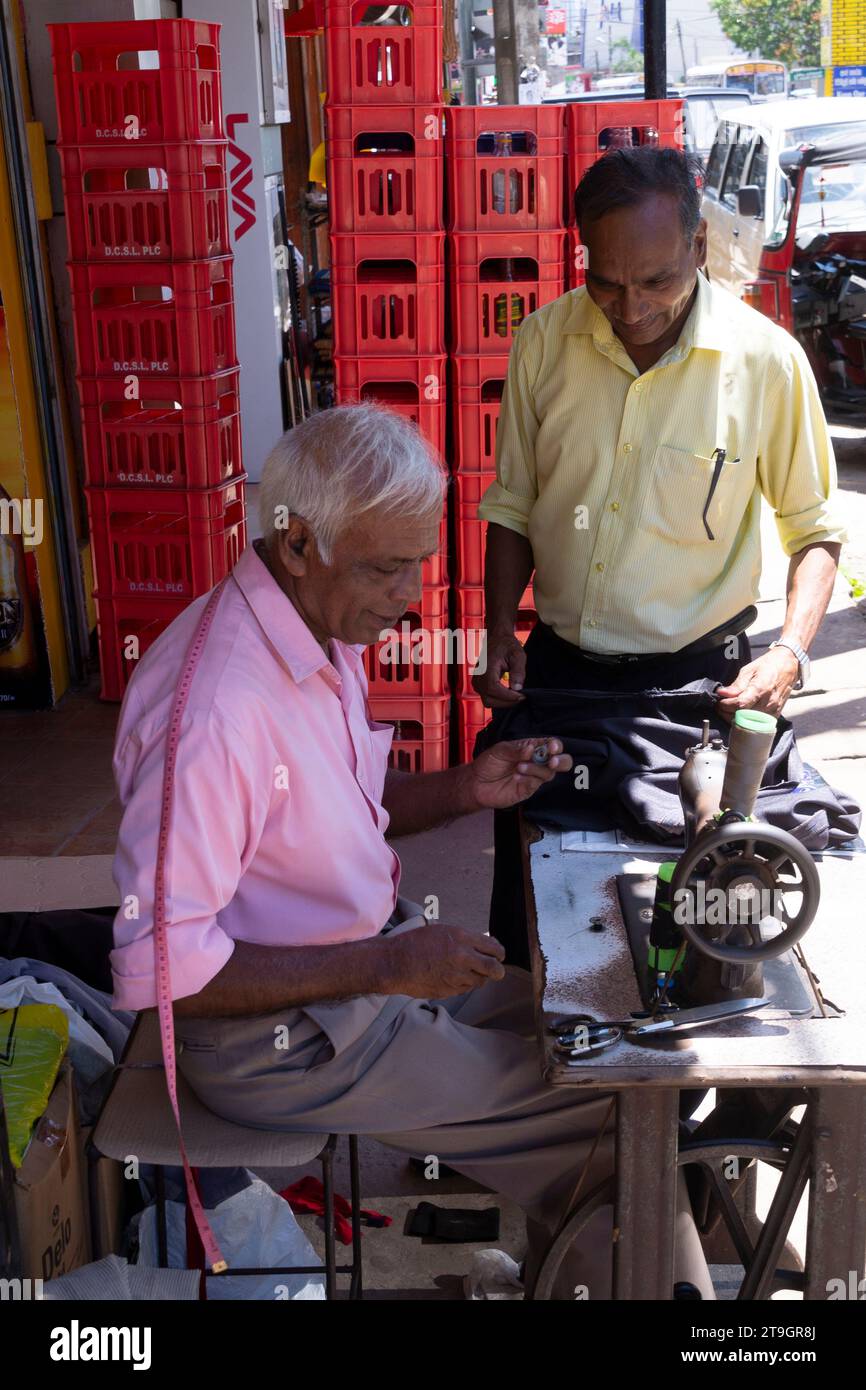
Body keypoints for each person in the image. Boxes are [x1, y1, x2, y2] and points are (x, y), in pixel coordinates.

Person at [110, 405, 713, 1299]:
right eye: (387, 567)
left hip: (354, 982)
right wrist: (388, 963)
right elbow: (163, 971)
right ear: (300, 541)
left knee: (598, 1033)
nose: (408, 595)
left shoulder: (312, 626)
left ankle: (572, 1278)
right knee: (616, 1117)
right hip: (276, 1046)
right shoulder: (216, 714)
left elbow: (334, 815)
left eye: (419, 564)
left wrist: (466, 788)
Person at [473, 146, 846, 968]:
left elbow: (815, 532)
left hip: (700, 686)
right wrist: (500, 629)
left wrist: (788, 653)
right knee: (545, 917)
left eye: (655, 282)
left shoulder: (766, 362)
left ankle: (724, 1066)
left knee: (724, 895)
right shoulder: (544, 341)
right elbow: (512, 506)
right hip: (564, 677)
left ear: (698, 251)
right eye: (607, 283)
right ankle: (545, 1054)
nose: (630, 307)